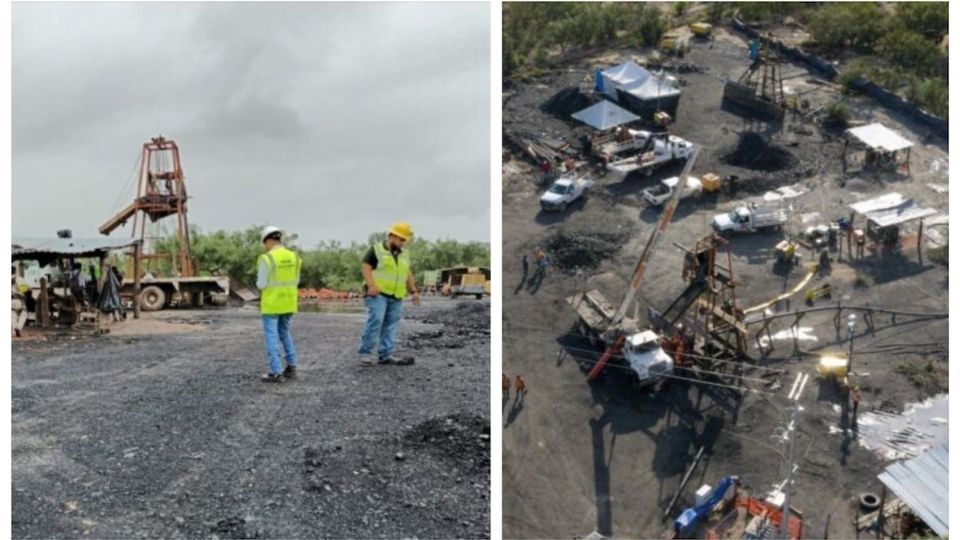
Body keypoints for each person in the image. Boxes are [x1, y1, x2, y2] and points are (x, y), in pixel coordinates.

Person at [358, 222, 421, 366]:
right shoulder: (376, 250)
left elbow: (407, 273)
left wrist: (414, 291)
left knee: (391, 325)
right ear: (393, 236)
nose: (403, 243)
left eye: (405, 240)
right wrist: (371, 285)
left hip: (396, 296)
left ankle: (385, 355)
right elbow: (365, 267)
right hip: (378, 294)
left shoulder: (404, 254)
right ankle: (365, 353)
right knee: (376, 320)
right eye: (402, 240)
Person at [257, 226, 302, 383]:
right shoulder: (294, 257)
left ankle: (276, 372)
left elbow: (261, 284)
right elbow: (296, 280)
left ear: (268, 241)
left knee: (272, 336)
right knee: (285, 333)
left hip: (272, 304)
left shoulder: (266, 258)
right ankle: (292, 366)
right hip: (289, 302)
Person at [11, 272, 28, 338]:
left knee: (13, 315)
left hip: (11, 299)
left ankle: (14, 330)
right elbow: (24, 289)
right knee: (24, 313)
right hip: (19, 299)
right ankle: (18, 327)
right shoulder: (19, 279)